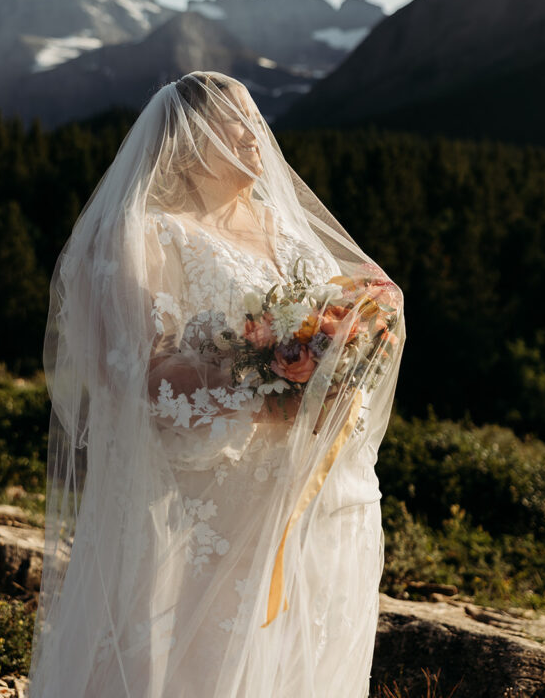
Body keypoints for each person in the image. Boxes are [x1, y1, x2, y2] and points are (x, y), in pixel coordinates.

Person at [27, 71, 405, 698]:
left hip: (307, 487)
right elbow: (139, 379)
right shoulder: (146, 234)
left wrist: (354, 326)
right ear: (188, 142)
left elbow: (318, 317)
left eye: (254, 120)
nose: (256, 136)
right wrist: (267, 390)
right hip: (205, 499)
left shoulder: (278, 226)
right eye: (235, 124)